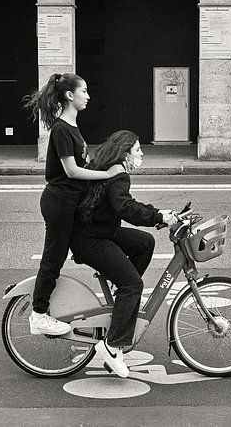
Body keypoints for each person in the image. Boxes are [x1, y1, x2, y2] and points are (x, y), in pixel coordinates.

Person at [21, 73, 123, 336]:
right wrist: (107, 175)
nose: (88, 96)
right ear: (70, 95)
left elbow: (83, 164)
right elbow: (72, 171)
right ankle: (39, 314)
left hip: (69, 202)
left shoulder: (72, 128)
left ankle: (116, 280)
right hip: (60, 202)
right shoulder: (61, 129)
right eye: (84, 91)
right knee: (53, 257)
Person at [71, 130, 177, 377]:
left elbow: (125, 204)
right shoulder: (118, 173)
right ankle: (112, 344)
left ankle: (122, 298)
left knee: (145, 243)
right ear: (125, 153)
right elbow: (125, 208)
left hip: (98, 231)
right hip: (91, 240)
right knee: (133, 285)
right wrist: (159, 216)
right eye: (138, 150)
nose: (141, 155)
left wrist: (159, 212)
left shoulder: (109, 167)